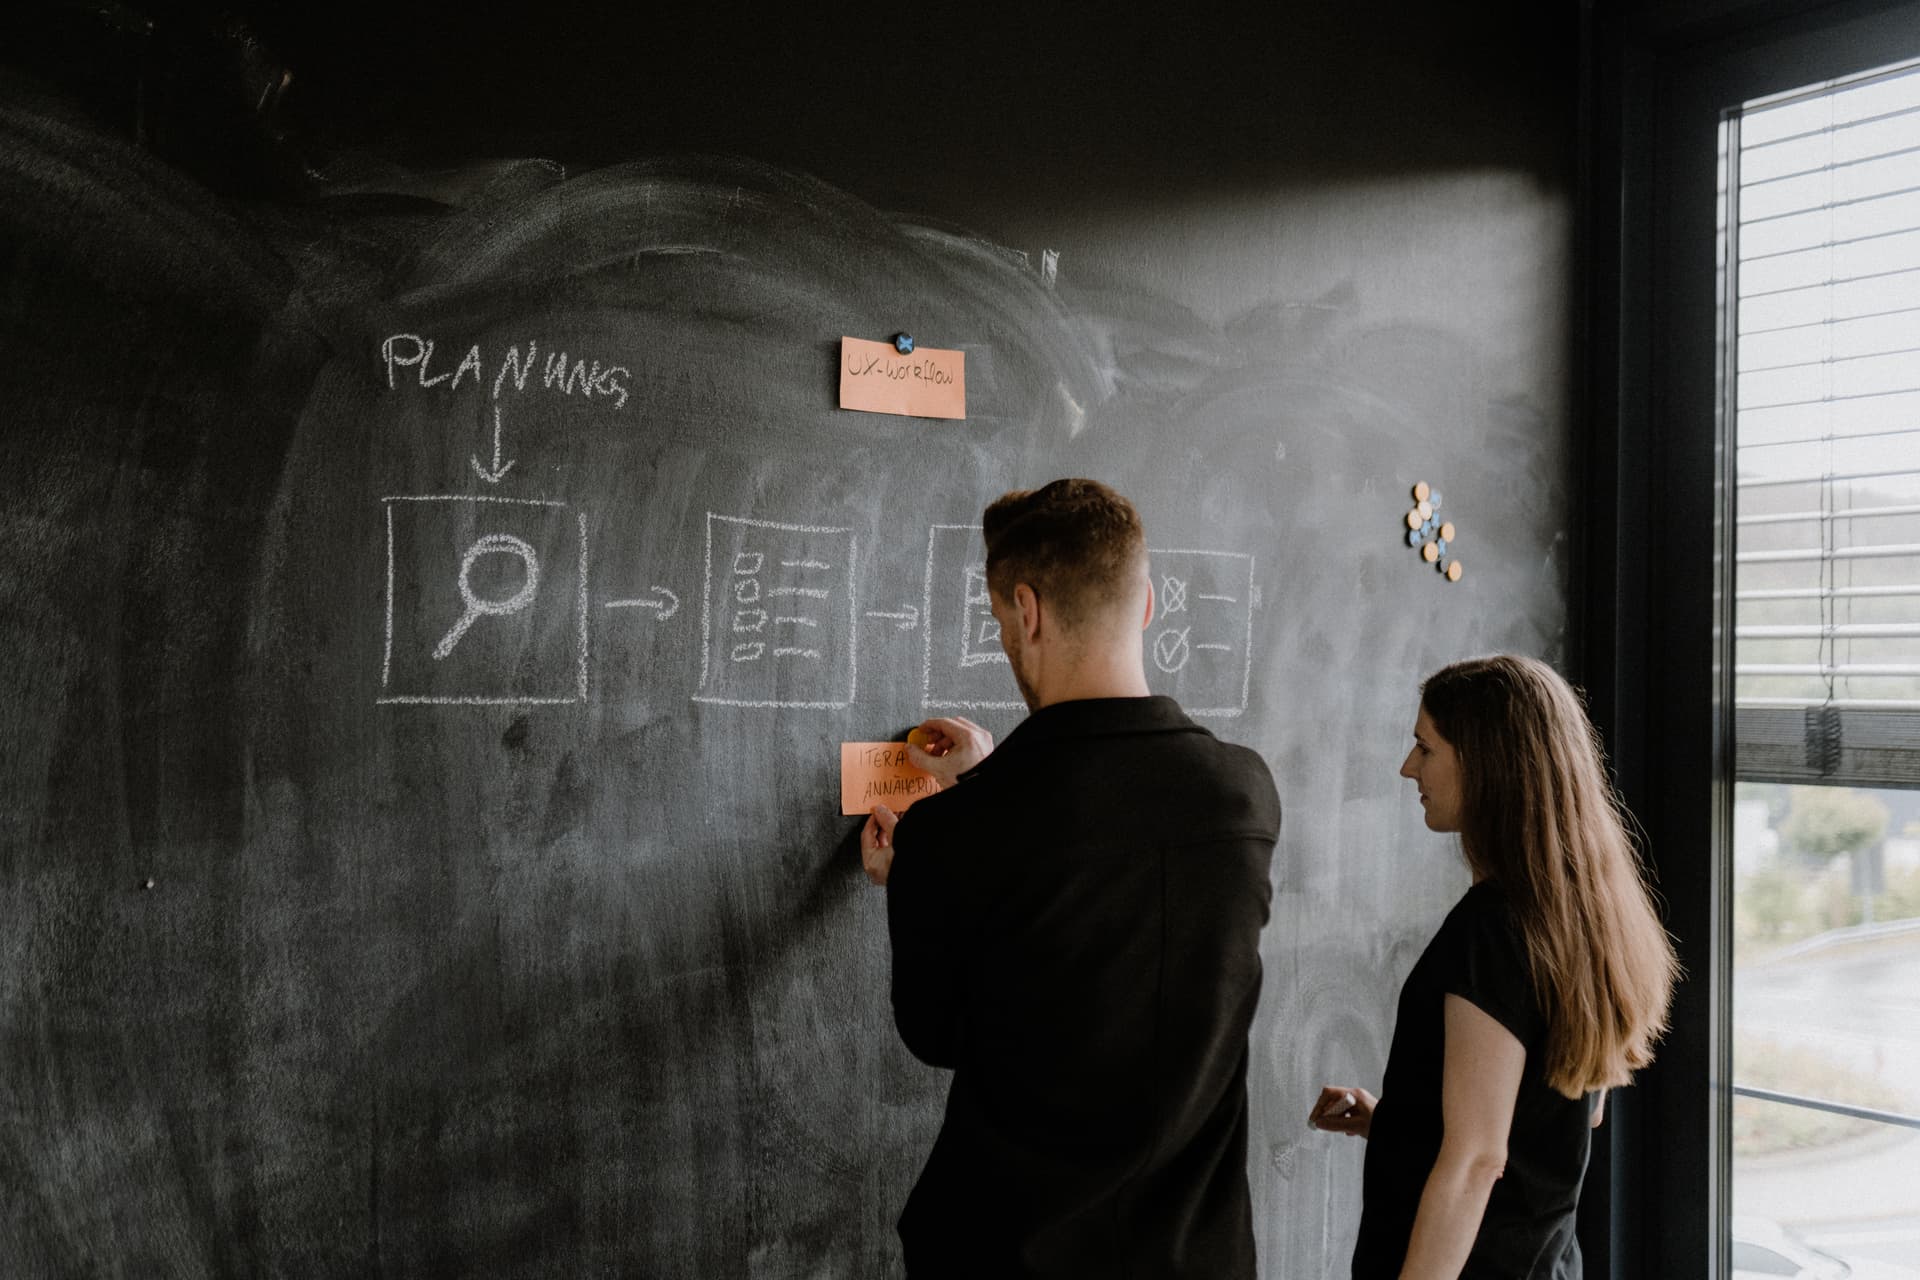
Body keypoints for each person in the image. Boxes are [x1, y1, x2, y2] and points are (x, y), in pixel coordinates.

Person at [858, 478, 1282, 1279]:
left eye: (997, 621)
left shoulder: (953, 835)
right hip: (1197, 1256)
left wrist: (916, 870)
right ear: (1148, 604)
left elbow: (937, 1035)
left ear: (1027, 611)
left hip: (1010, 1254)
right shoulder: (1244, 795)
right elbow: (1103, 839)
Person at [1308, 655, 1679, 1280]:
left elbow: (1478, 1161)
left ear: (1485, 765)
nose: (1408, 767)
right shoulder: (1579, 914)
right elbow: (1566, 1114)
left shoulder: (1493, 931)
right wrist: (1396, 1125)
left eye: (1425, 749)